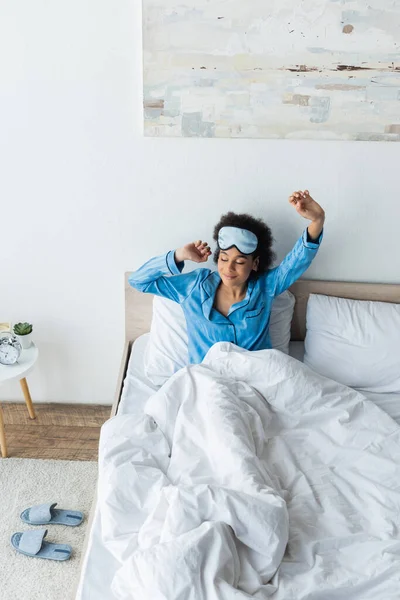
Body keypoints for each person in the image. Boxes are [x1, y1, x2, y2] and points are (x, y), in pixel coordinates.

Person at [129, 190, 325, 364]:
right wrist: (179, 255)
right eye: (223, 258)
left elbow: (296, 262)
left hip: (257, 381)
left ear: (255, 264)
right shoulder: (194, 286)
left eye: (239, 262)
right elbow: (139, 281)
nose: (229, 267)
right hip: (206, 383)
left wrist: (317, 221)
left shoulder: (265, 287)